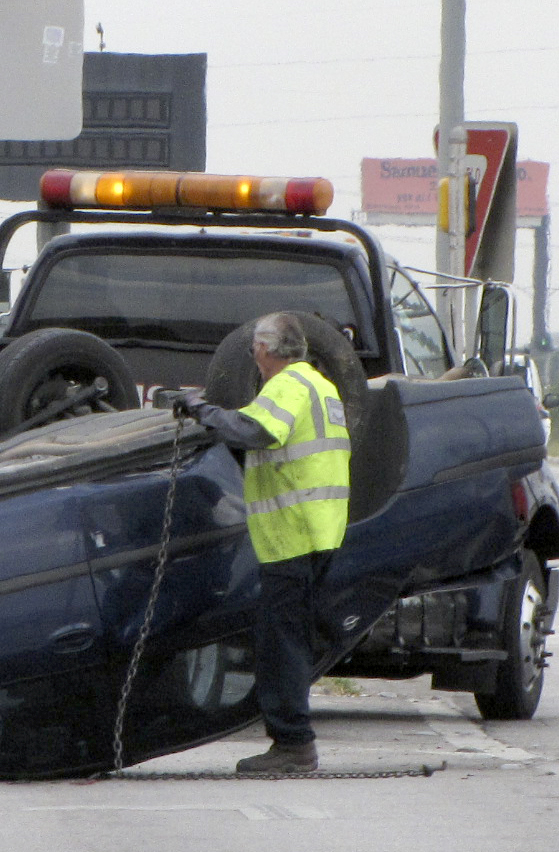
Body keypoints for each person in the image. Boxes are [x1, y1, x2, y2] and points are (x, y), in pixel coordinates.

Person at [175, 312, 350, 774]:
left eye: (256, 346)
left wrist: (201, 410)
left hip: (294, 535)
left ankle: (293, 744)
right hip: (322, 530)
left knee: (282, 643)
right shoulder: (321, 386)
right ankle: (291, 739)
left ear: (264, 350)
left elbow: (255, 430)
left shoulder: (287, 386)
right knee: (289, 637)